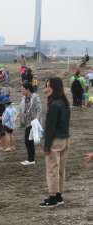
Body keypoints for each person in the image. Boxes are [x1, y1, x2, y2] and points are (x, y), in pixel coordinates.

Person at [40, 77, 71, 207]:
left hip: (55, 141)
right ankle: (58, 196)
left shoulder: (54, 105)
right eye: (46, 86)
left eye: (48, 86)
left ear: (55, 88)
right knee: (60, 170)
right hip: (65, 139)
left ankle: (53, 197)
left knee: (52, 169)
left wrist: (46, 145)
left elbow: (50, 127)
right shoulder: (64, 102)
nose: (46, 89)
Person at [17, 81, 42, 165]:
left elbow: (39, 109)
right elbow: (21, 109)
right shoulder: (23, 98)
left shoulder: (35, 97)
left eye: (23, 89)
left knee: (28, 141)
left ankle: (31, 159)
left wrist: (37, 120)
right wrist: (19, 117)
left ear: (28, 89)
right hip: (27, 122)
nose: (21, 91)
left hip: (33, 122)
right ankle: (31, 159)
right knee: (28, 141)